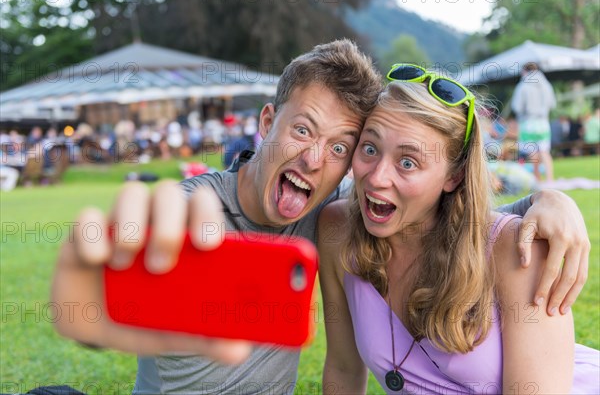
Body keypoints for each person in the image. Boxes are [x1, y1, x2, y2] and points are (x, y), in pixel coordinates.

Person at [50, 42, 590, 395]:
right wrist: (92, 278)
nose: (315, 159)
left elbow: (465, 217)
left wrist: (553, 203)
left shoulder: (333, 216)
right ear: (267, 121)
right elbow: (100, 300)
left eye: (340, 147)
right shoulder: (205, 209)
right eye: (303, 130)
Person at [318, 65, 598, 394]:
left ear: (454, 177)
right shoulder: (338, 231)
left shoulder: (518, 250)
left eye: (408, 162)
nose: (377, 177)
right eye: (370, 148)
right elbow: (343, 368)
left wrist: (555, 198)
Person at [511, 62, 556, 181]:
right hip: (543, 123)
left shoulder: (523, 85)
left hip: (528, 123)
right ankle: (550, 178)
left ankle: (538, 178)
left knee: (533, 152)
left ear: (524, 71)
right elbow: (552, 103)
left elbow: (517, 106)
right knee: (545, 151)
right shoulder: (546, 85)